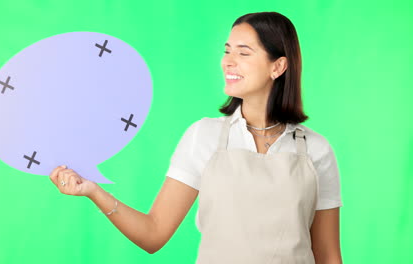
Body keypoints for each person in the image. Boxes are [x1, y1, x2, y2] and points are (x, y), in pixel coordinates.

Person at [49, 11, 343, 263]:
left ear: (277, 66)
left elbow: (328, 255)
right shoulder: (204, 136)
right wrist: (93, 191)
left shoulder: (315, 149)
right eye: (227, 50)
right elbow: (154, 233)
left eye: (243, 52)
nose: (228, 61)